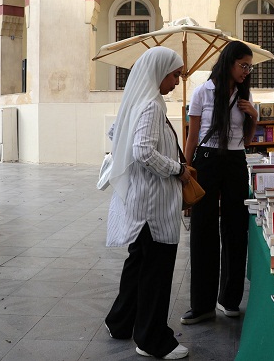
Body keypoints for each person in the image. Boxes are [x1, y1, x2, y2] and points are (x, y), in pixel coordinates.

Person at [104, 46, 191, 359]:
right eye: (175, 75)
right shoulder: (152, 105)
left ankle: (120, 322)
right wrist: (177, 168)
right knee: (155, 272)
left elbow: (117, 134)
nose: (177, 82)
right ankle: (151, 339)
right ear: (159, 72)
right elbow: (142, 151)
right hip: (153, 207)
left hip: (140, 203)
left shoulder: (138, 101)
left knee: (138, 264)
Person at [180, 40, 258, 325]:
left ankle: (230, 299)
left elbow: (247, 142)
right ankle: (202, 305)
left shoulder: (244, 94)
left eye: (249, 66)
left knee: (236, 228)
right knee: (203, 229)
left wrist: (254, 117)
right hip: (207, 161)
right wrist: (186, 168)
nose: (247, 71)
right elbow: (192, 135)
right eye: (243, 65)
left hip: (236, 161)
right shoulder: (203, 92)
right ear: (230, 62)